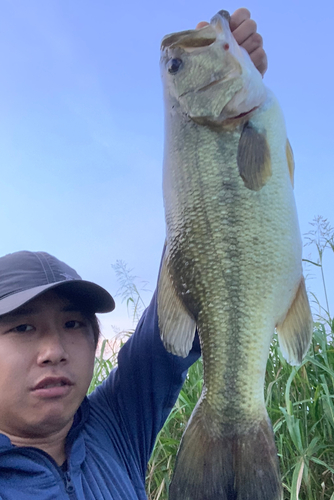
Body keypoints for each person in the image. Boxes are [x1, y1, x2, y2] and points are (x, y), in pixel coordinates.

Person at [0, 8, 267, 499]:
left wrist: (221, 123)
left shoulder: (117, 425)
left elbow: (199, 265)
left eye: (74, 324)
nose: (54, 350)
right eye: (21, 327)